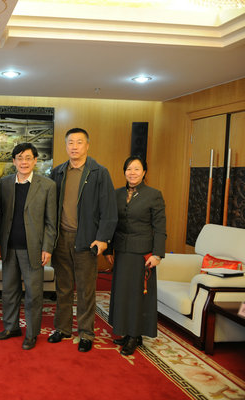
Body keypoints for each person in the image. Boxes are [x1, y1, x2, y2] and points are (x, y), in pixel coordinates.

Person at [48, 127, 117, 352]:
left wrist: (103, 238)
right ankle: (62, 328)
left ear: (87, 145)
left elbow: (109, 209)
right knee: (63, 287)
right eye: (70, 142)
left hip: (87, 240)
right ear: (66, 146)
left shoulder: (99, 173)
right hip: (61, 239)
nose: (74, 147)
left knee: (86, 290)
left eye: (79, 142)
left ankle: (86, 333)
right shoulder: (58, 172)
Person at [0, 143, 57, 350]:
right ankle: (11, 327)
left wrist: (47, 248)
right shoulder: (4, 183)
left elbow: (51, 221)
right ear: (13, 161)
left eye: (28, 158)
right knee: (8, 291)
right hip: (9, 247)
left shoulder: (47, 185)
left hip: (34, 249)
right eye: (19, 158)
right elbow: (0, 216)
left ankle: (31, 333)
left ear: (35, 161)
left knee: (33, 294)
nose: (24, 162)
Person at [105, 156, 166, 356]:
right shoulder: (117, 194)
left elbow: (160, 228)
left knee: (138, 296)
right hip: (122, 251)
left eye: (137, 169)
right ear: (124, 172)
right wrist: (108, 249)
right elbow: (111, 223)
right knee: (122, 294)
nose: (132, 173)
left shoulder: (154, 195)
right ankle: (126, 331)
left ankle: (135, 335)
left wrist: (157, 254)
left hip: (142, 254)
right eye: (129, 169)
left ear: (144, 172)